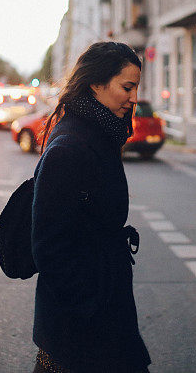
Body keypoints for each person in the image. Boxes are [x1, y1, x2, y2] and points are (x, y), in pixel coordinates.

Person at [31, 41, 151, 373]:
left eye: (135, 88)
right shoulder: (71, 147)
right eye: (127, 87)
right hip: (81, 329)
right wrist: (91, 305)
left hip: (99, 314)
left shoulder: (98, 134)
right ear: (96, 84)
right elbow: (49, 247)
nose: (134, 98)